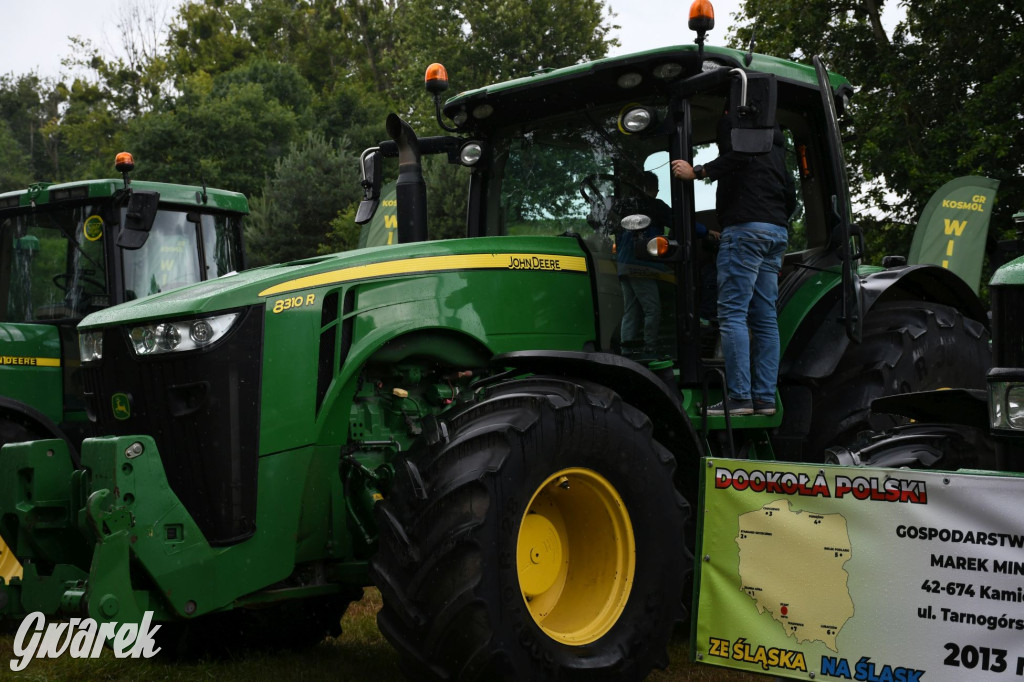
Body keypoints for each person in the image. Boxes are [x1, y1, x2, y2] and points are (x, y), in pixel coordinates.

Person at [671, 111, 795, 416]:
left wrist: (696, 171)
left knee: (731, 314)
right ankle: (764, 398)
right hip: (775, 232)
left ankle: (739, 397)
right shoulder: (776, 145)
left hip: (745, 231)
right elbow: (790, 194)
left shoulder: (734, 125)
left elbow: (737, 156)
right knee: (765, 319)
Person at [616, 171, 670, 359]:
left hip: (623, 266)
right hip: (641, 267)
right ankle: (650, 350)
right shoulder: (654, 206)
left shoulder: (624, 207)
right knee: (652, 309)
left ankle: (627, 351)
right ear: (652, 189)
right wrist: (705, 232)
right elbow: (679, 221)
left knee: (631, 311)